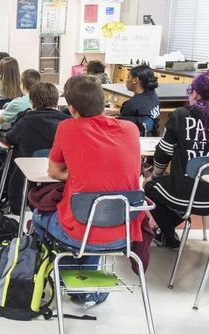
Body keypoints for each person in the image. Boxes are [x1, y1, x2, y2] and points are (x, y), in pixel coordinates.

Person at [32, 75, 143, 307]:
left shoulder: (68, 127)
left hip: (81, 232)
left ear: (72, 109)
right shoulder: (131, 129)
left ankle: (56, 278)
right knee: (94, 214)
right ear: (103, 102)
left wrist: (77, 175)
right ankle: (85, 288)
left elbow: (53, 172)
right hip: (124, 231)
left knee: (40, 217)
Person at [143, 72, 209, 249]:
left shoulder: (181, 115)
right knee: (181, 188)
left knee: (151, 187)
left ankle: (168, 236)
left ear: (195, 94)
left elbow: (164, 152)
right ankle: (165, 230)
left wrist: (155, 174)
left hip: (188, 194)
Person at [3, 82, 70, 211]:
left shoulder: (25, 121)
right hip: (61, 176)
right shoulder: (67, 123)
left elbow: (9, 138)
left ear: (32, 102)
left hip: (29, 177)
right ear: (56, 102)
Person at [117, 65, 160, 136]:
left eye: (128, 77)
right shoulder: (154, 96)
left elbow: (121, 124)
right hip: (152, 137)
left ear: (135, 80)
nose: (126, 80)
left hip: (136, 139)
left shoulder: (131, 104)